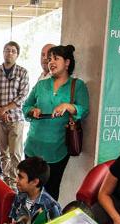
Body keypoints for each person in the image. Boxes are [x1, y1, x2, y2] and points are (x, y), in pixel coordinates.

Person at [22, 45, 89, 201]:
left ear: (67, 62)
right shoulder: (41, 85)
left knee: (50, 192)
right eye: (49, 58)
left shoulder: (77, 86)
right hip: (33, 146)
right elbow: (25, 106)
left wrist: (68, 106)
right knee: (28, 190)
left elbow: (84, 110)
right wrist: (33, 110)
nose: (50, 61)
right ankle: (26, 222)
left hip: (57, 149)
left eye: (55, 58)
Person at [0, 41, 29, 190]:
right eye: (7, 50)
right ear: (3, 52)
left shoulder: (22, 72)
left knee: (16, 154)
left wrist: (5, 109)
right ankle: (6, 183)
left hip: (16, 119)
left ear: (17, 55)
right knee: (2, 154)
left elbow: (23, 96)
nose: (9, 53)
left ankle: (16, 184)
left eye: (13, 51)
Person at [5, 157, 61, 224]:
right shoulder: (20, 196)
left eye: (20, 177)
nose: (16, 180)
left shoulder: (50, 206)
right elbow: (14, 218)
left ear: (35, 182)